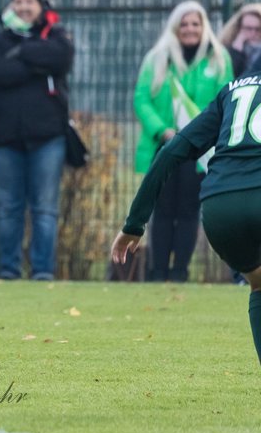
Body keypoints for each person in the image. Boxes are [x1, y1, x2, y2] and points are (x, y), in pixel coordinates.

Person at [111, 66, 261, 366]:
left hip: (220, 206)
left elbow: (170, 152)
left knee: (258, 285)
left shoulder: (231, 90)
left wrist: (134, 223)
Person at [0, 0, 74, 281]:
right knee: (8, 208)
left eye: (29, 1)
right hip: (4, 138)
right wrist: (36, 63)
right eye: (18, 1)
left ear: (41, 5)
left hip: (48, 137)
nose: (23, 7)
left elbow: (61, 58)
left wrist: (23, 57)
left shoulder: (58, 37)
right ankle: (8, 269)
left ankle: (43, 270)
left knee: (45, 208)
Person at [131, 0, 232, 282]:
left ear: (204, 27)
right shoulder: (157, 58)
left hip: (198, 152)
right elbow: (141, 99)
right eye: (184, 24)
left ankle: (179, 273)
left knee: (188, 211)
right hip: (162, 146)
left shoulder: (218, 59)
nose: (189, 29)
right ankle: (157, 271)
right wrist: (162, 130)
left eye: (195, 23)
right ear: (175, 27)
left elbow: (225, 101)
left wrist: (197, 136)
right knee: (161, 210)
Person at [220, 3, 261, 79]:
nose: (253, 33)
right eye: (248, 28)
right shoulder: (227, 49)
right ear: (239, 28)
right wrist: (236, 51)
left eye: (258, 29)